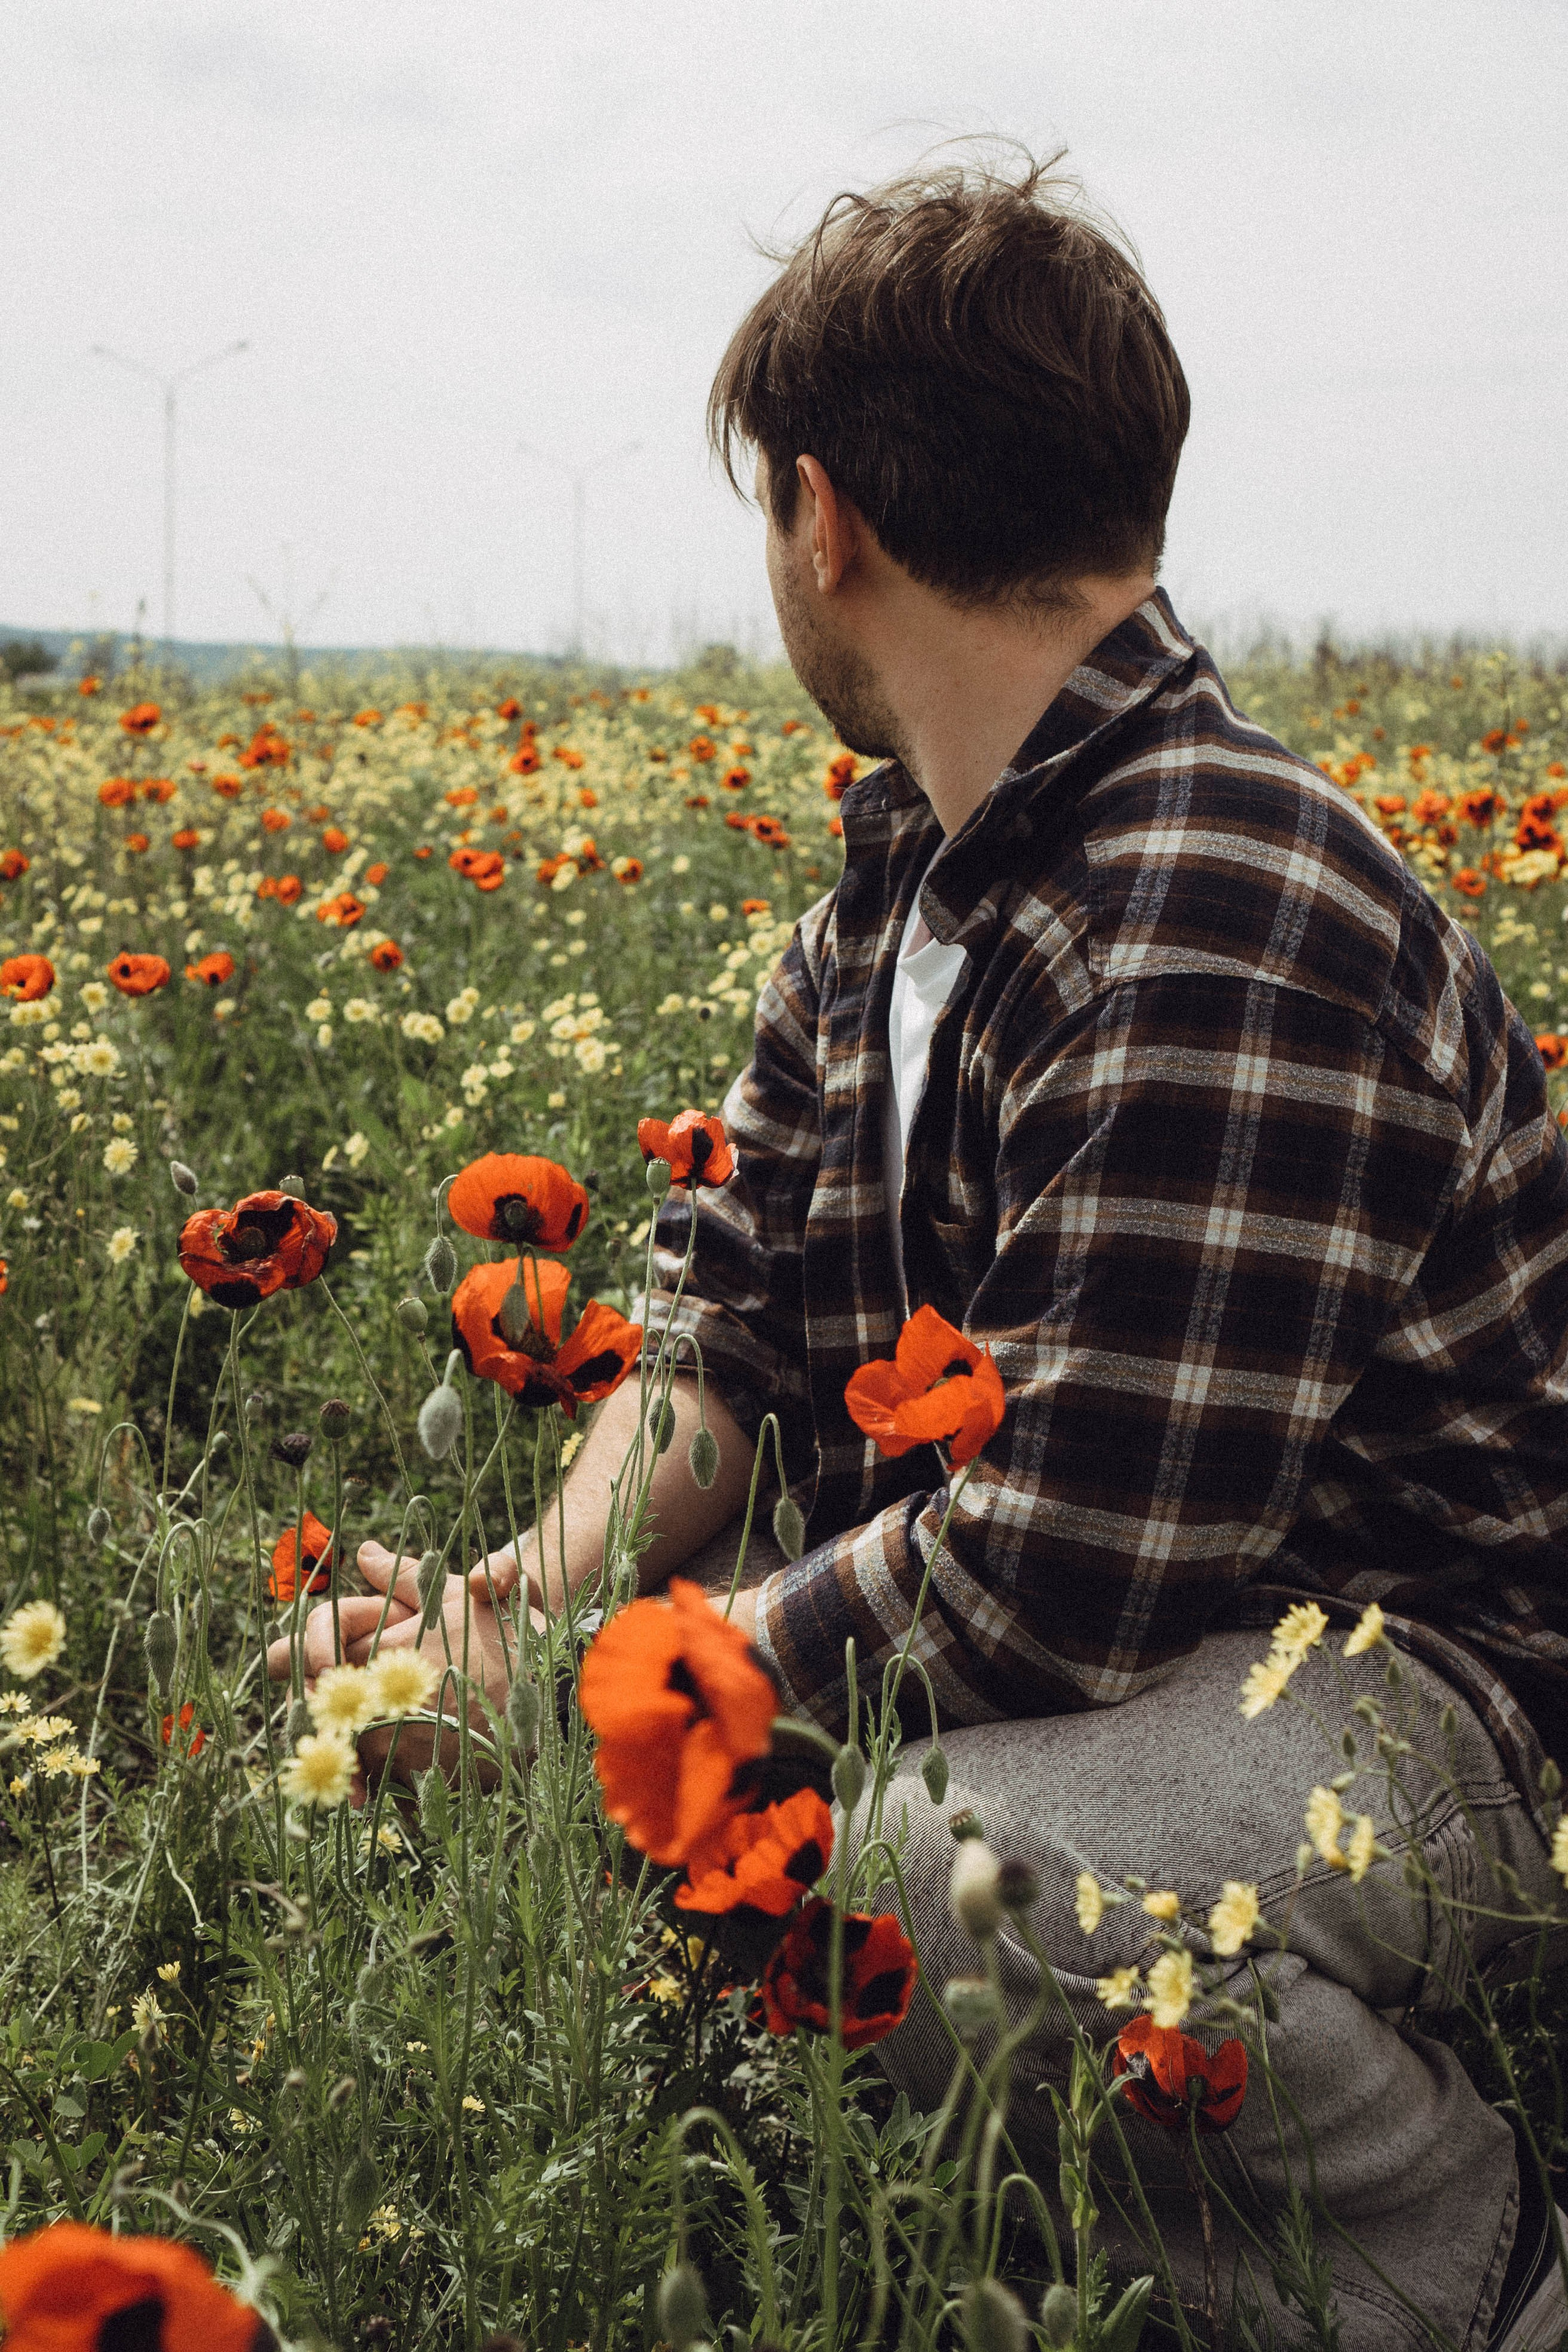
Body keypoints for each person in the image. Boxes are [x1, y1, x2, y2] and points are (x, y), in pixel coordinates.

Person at [271, 157, 1567, 2350]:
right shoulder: (888, 897)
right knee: (850, 1820)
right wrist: (508, 1619)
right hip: (1161, 1661)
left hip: (1431, 1707)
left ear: (821, 517)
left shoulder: (1229, 895)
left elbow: (1068, 1573)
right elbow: (712, 1354)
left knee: (934, 1884)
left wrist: (631, 1706)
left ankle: (1465, 2276)